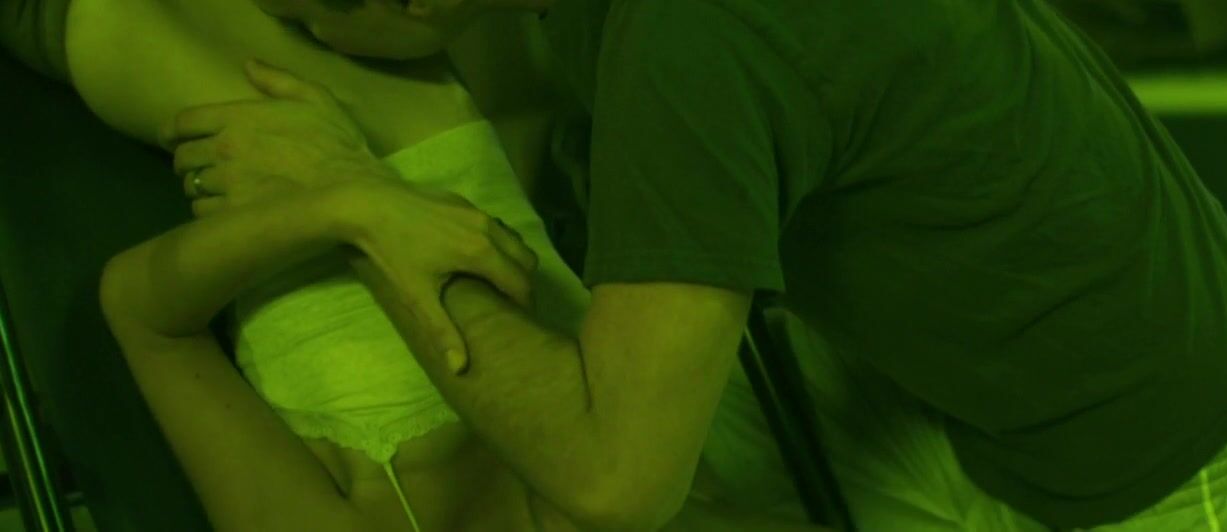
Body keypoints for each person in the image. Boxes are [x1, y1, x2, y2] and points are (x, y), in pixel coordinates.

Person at [161, 0, 1227, 531]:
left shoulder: (687, 42)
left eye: (307, 8)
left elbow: (613, 482)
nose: (305, 25)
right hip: (1073, 371)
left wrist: (366, 213)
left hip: (1180, 479)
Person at [2, 0, 829, 531]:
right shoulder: (674, 499)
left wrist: (349, 207)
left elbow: (144, 314)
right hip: (446, 100)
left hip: (253, 108)